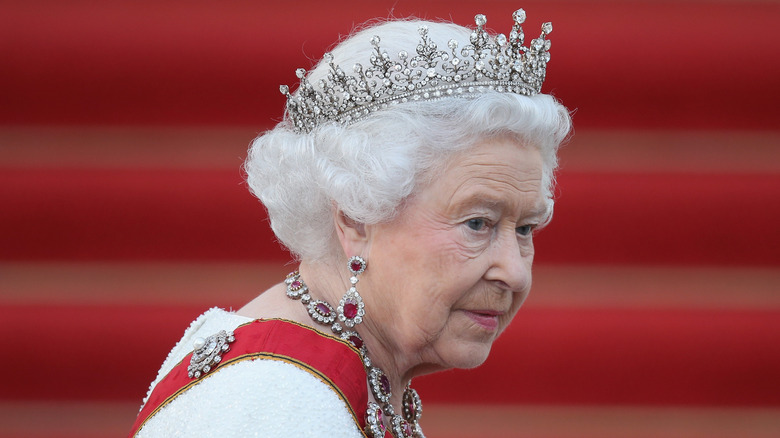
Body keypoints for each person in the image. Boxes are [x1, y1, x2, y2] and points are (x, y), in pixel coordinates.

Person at [130, 9, 570, 438]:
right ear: (357, 218)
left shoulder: (338, 374)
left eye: (526, 228)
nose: (514, 271)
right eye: (478, 223)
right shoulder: (278, 401)